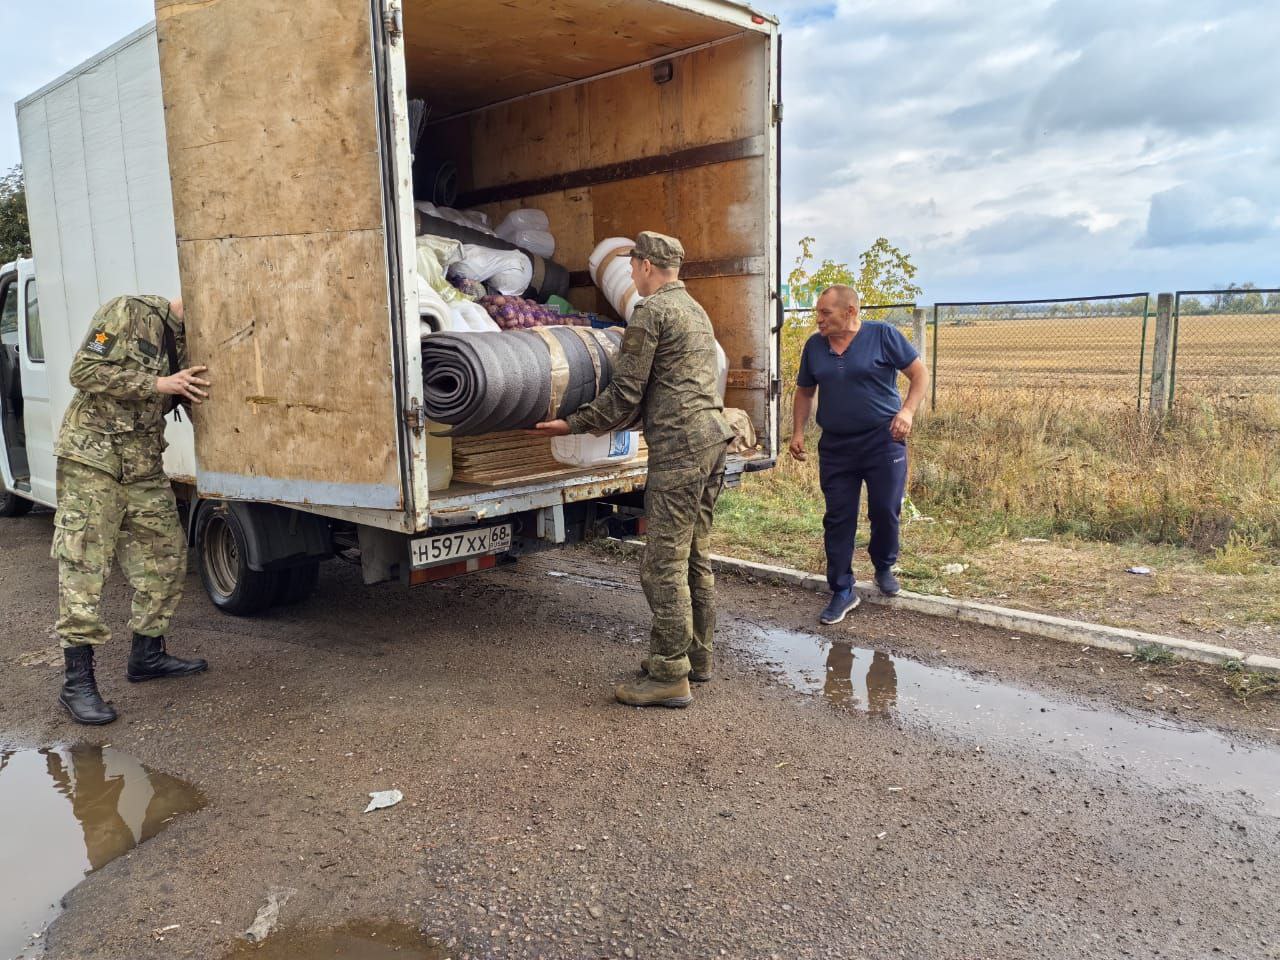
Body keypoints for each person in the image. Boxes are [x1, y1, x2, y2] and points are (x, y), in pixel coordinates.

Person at [533, 232, 733, 709]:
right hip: (713, 440)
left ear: (644, 266)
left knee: (662, 564)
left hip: (681, 447)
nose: (632, 274)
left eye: (632, 266)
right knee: (694, 554)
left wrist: (572, 423)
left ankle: (669, 674)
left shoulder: (651, 311)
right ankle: (696, 657)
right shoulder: (695, 310)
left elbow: (625, 394)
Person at [53, 295, 212, 726]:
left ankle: (147, 655)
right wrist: (158, 384)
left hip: (143, 466)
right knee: (84, 566)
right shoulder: (128, 311)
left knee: (168, 556)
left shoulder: (194, 340)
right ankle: (77, 683)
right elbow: (83, 371)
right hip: (93, 460)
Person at [789, 285, 929, 625]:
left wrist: (907, 411)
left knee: (885, 509)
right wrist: (798, 432)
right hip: (836, 446)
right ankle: (842, 589)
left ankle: (883, 565)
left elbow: (919, 374)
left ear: (850, 311)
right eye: (818, 313)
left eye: (825, 313)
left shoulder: (882, 335)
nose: (818, 319)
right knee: (838, 517)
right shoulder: (815, 346)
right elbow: (805, 391)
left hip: (883, 440)